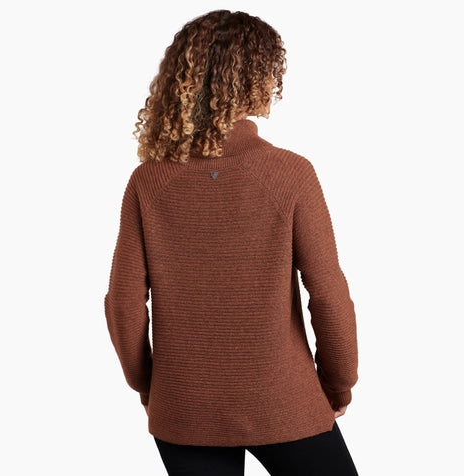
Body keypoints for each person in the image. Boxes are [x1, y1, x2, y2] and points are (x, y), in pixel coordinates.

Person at [104, 9, 360, 476]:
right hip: (283, 399)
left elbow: (123, 303)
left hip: (184, 407)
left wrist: (151, 387)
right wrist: (338, 384)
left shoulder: (149, 181)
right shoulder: (290, 173)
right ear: (259, 78)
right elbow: (328, 293)